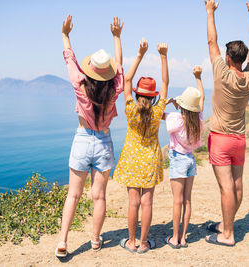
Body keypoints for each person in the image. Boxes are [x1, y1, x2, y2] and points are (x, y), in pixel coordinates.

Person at [55, 15, 124, 257]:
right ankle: (95, 240)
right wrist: (117, 37)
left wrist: (65, 35)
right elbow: (120, 68)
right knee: (99, 196)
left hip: (82, 139)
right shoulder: (115, 89)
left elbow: (69, 59)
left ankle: (63, 242)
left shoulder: (79, 84)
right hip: (104, 142)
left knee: (73, 195)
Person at [204, 0, 249, 246]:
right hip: (239, 139)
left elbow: (211, 42)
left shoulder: (221, 72)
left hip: (220, 139)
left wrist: (209, 11)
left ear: (228, 58)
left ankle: (228, 235)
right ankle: (225, 224)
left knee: (226, 188)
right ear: (243, 59)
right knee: (237, 186)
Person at [113, 38, 169, 254]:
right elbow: (165, 84)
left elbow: (126, 80)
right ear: (153, 97)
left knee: (132, 203)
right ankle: (144, 243)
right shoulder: (157, 112)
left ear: (137, 94)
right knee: (148, 203)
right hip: (151, 159)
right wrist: (163, 56)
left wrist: (140, 54)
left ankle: (131, 242)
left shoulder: (130, 110)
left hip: (131, 159)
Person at [163, 66, 205, 249]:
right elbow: (201, 99)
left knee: (177, 200)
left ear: (181, 106)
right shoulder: (198, 119)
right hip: (190, 161)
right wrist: (199, 78)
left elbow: (159, 114)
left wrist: (170, 103)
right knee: (187, 200)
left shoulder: (176, 118)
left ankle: (174, 238)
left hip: (178, 160)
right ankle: (184, 238)